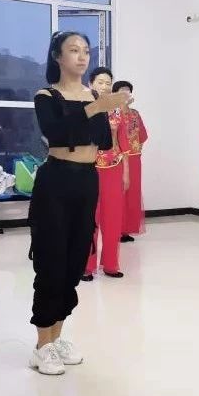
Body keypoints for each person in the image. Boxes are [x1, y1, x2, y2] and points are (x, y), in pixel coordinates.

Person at [28, 31, 131, 375]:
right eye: (73, 50)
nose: (82, 56)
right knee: (51, 260)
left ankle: (56, 338)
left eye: (86, 50)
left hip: (88, 180)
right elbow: (56, 134)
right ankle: (42, 345)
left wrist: (108, 111)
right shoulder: (47, 96)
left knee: (74, 261)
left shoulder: (93, 95)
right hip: (56, 180)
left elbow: (103, 141)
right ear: (57, 56)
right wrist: (95, 108)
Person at [83, 68, 130, 281]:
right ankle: (86, 266)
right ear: (91, 84)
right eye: (100, 82)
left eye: (108, 83)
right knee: (88, 219)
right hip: (89, 168)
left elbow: (123, 141)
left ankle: (110, 264)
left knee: (112, 218)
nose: (104, 86)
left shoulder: (117, 109)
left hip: (114, 167)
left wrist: (126, 173)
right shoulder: (84, 107)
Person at [117, 80, 148, 243]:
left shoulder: (135, 114)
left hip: (134, 158)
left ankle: (126, 230)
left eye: (128, 90)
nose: (125, 93)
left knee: (132, 192)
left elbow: (142, 135)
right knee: (119, 193)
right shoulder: (112, 113)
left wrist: (137, 148)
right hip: (118, 159)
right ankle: (116, 228)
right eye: (122, 90)